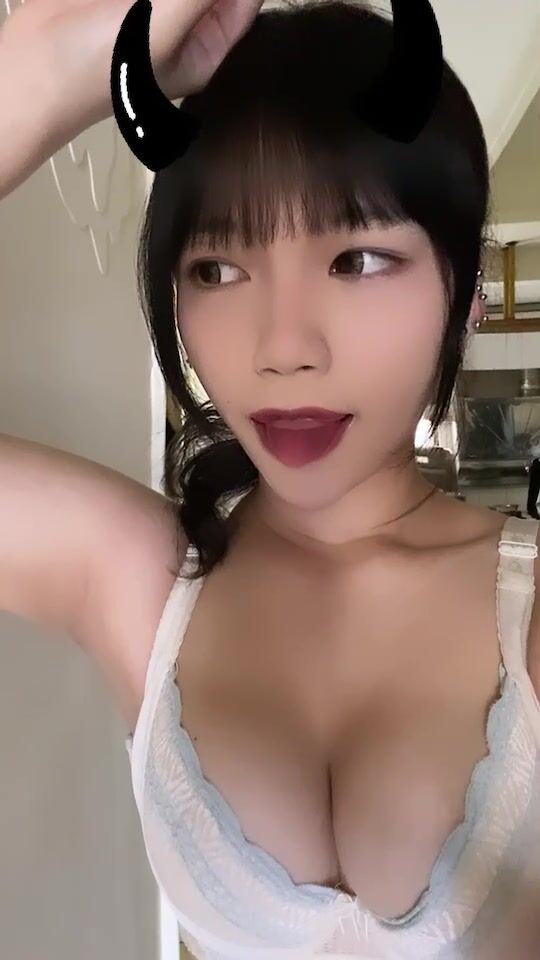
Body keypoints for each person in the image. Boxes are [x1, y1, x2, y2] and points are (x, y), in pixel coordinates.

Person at [2, 2, 540, 958]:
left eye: (358, 259)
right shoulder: (136, 584)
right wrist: (55, 62)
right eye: (216, 270)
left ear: (464, 294)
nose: (283, 349)